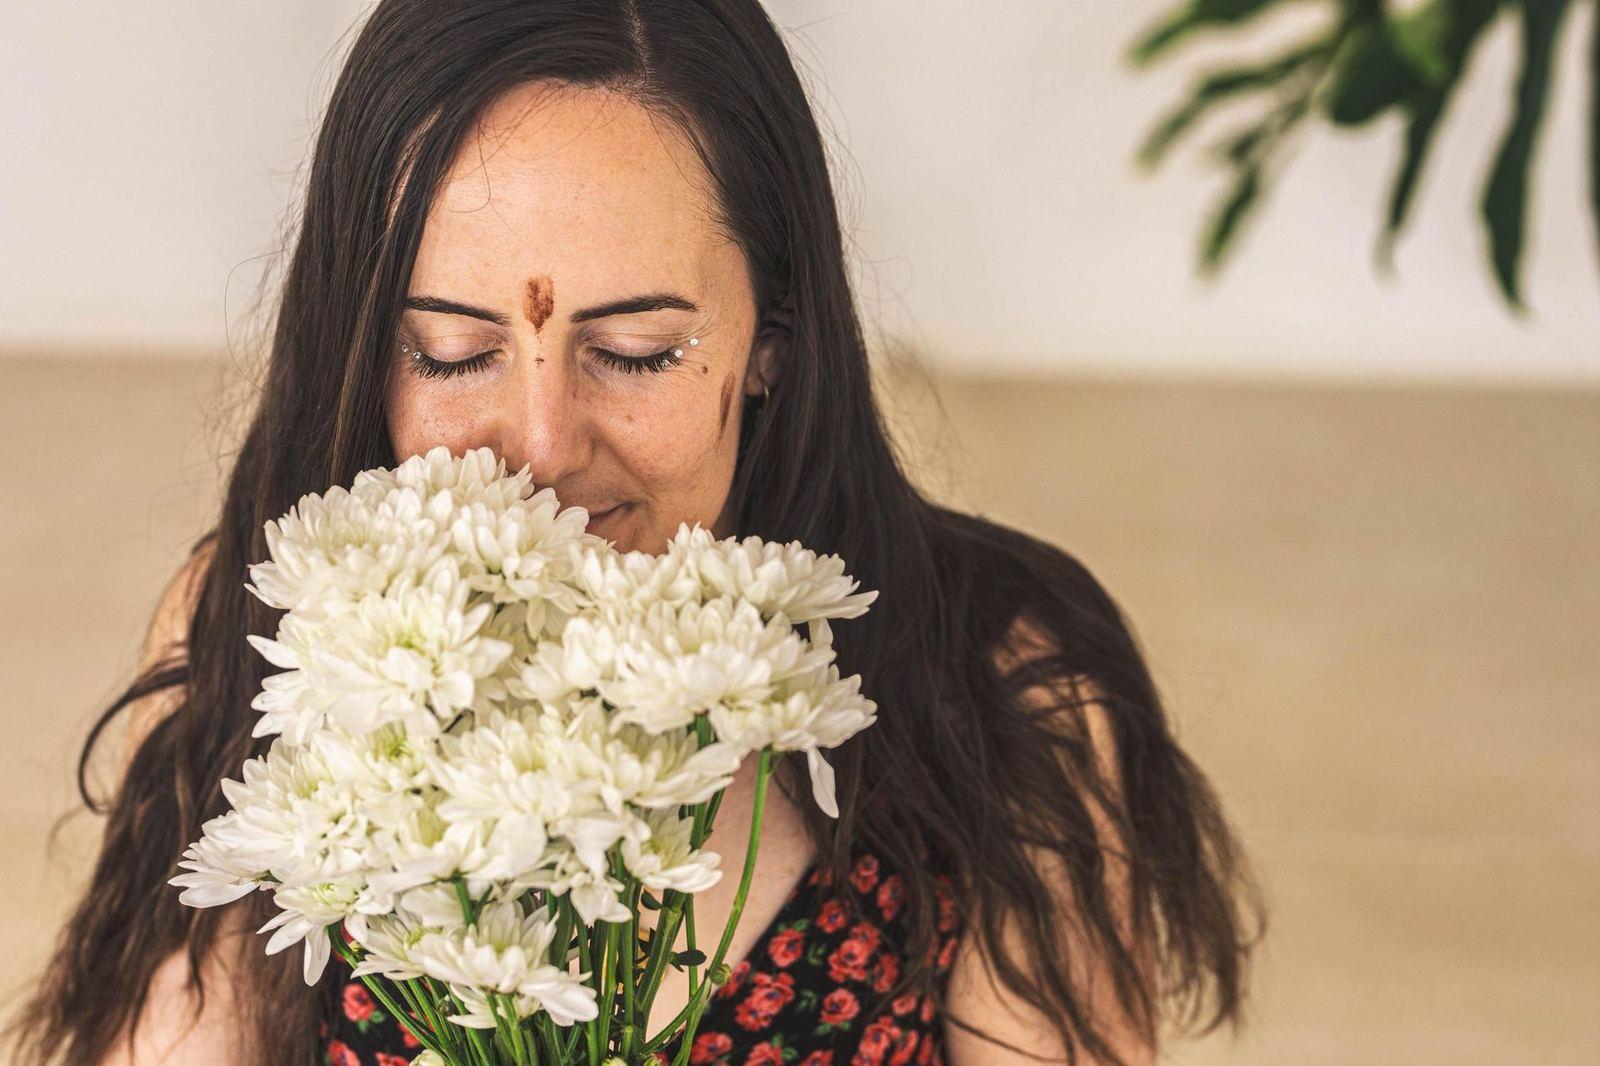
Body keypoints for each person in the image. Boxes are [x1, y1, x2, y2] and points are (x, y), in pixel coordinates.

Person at [4, 1, 1265, 1063]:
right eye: (450, 352)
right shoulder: (279, 636)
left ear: (772, 334)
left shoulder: (997, 685)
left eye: (635, 352)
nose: (544, 446)